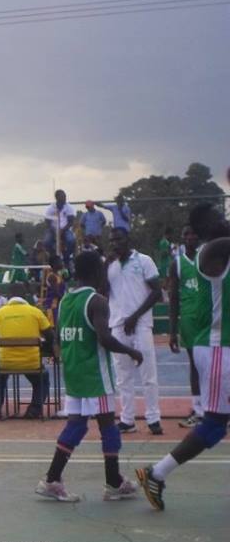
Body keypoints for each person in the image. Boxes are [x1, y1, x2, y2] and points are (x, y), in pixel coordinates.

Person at [136, 203, 230, 511]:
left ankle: (157, 473)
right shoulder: (210, 252)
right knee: (215, 424)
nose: (224, 216)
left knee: (216, 423)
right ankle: (156, 473)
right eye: (219, 215)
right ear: (209, 225)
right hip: (217, 349)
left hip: (221, 348)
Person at [35, 251, 143, 502]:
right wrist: (131, 350)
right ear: (97, 272)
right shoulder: (97, 301)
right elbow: (104, 338)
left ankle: (52, 479)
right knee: (108, 426)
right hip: (95, 375)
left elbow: (59, 342)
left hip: (74, 375)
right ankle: (114, 482)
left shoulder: (65, 302)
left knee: (76, 425)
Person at [106, 227, 163, 435]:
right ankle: (127, 419)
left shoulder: (144, 260)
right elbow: (102, 292)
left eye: (118, 239)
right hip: (118, 325)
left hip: (140, 324)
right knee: (123, 376)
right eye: (111, 240)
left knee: (148, 373)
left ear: (127, 239)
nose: (114, 244)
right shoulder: (109, 264)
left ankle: (153, 418)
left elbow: (157, 292)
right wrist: (105, 264)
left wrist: (135, 316)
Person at [0, 282, 54, 419]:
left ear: (8, 296)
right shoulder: (35, 312)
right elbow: (50, 336)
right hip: (31, 362)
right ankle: (34, 409)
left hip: (7, 363)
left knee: (0, 367)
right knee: (43, 378)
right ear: (25, 296)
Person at [170, 224, 203, 428]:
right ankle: (199, 409)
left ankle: (216, 408)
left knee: (217, 367)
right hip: (190, 322)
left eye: (194, 233)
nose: (190, 237)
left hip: (210, 320)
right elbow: (173, 299)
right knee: (196, 365)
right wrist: (172, 331)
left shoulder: (208, 258)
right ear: (182, 239)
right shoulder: (177, 264)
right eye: (186, 234)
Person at [44, 189, 76, 265]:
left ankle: (66, 256)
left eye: (65, 196)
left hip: (65, 229)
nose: (65, 198)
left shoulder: (69, 207)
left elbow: (71, 222)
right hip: (53, 229)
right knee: (46, 242)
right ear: (57, 197)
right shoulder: (51, 208)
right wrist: (54, 230)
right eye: (63, 196)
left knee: (71, 240)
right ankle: (53, 255)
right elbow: (47, 221)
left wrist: (62, 230)